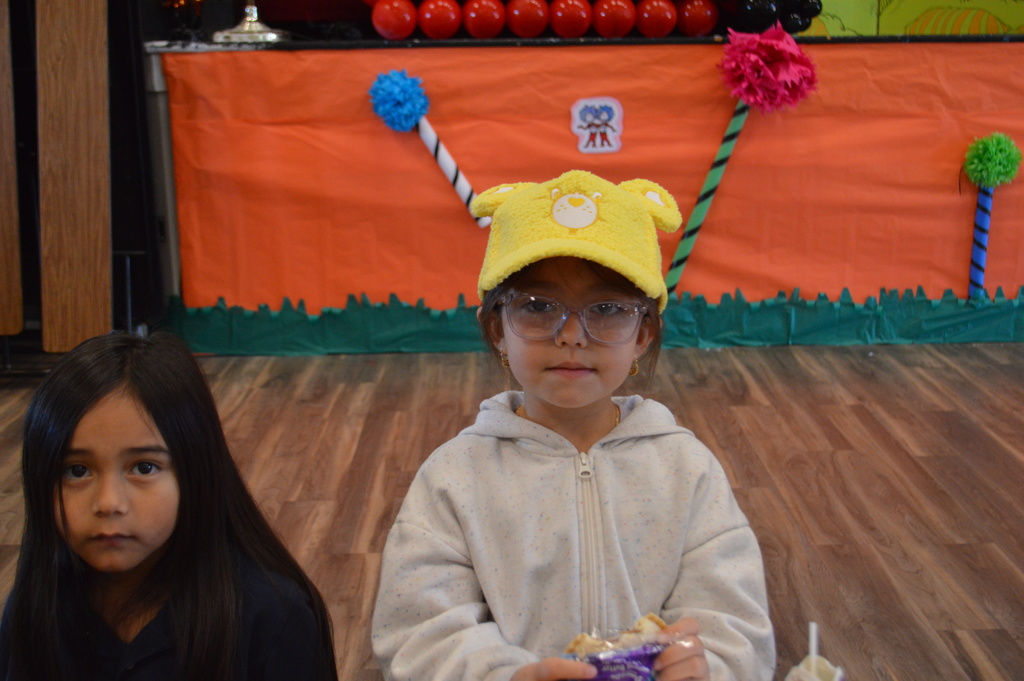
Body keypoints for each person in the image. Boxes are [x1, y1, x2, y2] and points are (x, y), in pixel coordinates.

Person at [372, 170, 775, 681]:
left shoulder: (685, 469)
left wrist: (706, 668)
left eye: (606, 309)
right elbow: (417, 634)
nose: (570, 335)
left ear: (643, 334)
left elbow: (736, 627)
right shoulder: (454, 477)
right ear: (498, 329)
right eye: (538, 307)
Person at [0, 331, 338, 681]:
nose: (108, 503)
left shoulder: (272, 616)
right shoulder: (33, 609)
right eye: (77, 471)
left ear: (195, 470)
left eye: (144, 467)